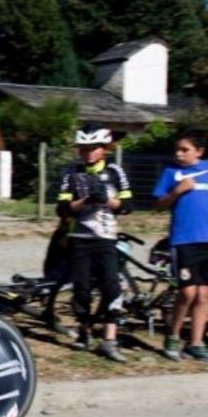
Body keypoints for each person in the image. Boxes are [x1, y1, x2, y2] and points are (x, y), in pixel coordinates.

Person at [56, 123, 134, 362]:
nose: (88, 152)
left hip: (106, 238)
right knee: (81, 289)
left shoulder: (114, 171)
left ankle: (110, 340)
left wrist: (108, 201)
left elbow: (128, 206)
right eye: (83, 148)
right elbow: (61, 209)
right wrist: (86, 200)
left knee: (112, 286)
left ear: (104, 148)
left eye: (93, 147)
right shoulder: (71, 172)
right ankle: (84, 332)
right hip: (79, 237)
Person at [153, 129, 208, 361]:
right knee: (187, 292)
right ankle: (172, 335)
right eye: (177, 149)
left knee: (204, 294)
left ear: (199, 151)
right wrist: (177, 192)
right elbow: (158, 205)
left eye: (185, 150)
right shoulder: (171, 173)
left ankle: (195, 342)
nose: (179, 154)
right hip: (184, 240)